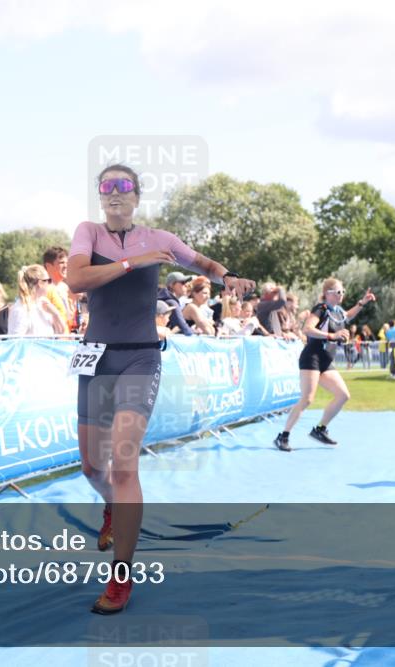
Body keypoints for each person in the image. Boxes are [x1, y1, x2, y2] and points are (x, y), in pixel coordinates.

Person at [66, 163, 254, 614]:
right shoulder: (88, 232)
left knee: (125, 466)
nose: (114, 193)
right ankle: (112, 508)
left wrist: (226, 276)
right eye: (106, 186)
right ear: (99, 195)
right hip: (96, 356)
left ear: (137, 195)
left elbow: (202, 264)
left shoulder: (160, 237)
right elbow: (75, 281)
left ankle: (120, 578)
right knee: (93, 468)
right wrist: (133, 263)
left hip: (140, 356)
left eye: (123, 186)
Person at [273, 279, 376, 452]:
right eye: (337, 292)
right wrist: (332, 336)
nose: (341, 295)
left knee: (343, 395)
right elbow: (307, 329)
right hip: (312, 357)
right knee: (307, 399)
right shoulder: (321, 309)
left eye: (343, 292)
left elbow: (348, 315)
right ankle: (283, 435)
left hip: (326, 360)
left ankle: (320, 429)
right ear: (327, 293)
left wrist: (362, 303)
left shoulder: (337, 311)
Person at [10, 264, 65, 336]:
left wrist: (55, 314)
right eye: (49, 280)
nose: (51, 284)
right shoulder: (21, 309)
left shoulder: (43, 304)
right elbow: (15, 342)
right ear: (40, 283)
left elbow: (60, 332)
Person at [44, 246, 79, 333]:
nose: (66, 266)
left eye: (67, 262)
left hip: (67, 340)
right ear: (48, 266)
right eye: (61, 263)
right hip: (51, 341)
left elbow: (68, 318)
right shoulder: (43, 290)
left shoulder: (66, 288)